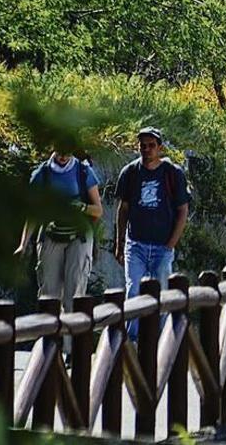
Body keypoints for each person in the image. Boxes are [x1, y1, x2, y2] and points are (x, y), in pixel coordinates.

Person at [115, 127, 191, 339]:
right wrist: (120, 243)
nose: (146, 150)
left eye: (151, 146)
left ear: (159, 148)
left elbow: (182, 210)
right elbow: (123, 209)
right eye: (143, 145)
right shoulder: (130, 173)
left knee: (163, 295)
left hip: (161, 246)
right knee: (133, 291)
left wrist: (170, 244)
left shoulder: (172, 173)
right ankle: (132, 341)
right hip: (136, 244)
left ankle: (163, 341)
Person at [14, 150, 103, 316]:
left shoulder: (83, 172)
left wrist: (79, 207)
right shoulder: (42, 173)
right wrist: (23, 244)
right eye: (60, 151)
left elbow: (98, 210)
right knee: (49, 296)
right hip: (50, 233)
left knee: (74, 295)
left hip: (79, 236)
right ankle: (49, 339)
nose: (63, 156)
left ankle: (70, 341)